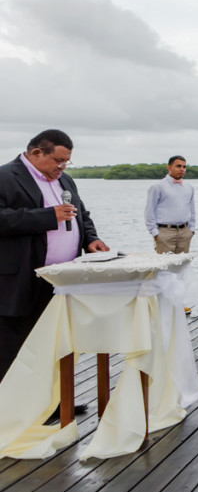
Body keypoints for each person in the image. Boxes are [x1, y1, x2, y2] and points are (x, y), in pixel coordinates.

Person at [0, 129, 109, 386]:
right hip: (22, 279)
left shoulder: (66, 180)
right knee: (17, 344)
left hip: (63, 280)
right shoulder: (4, 177)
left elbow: (81, 214)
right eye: (58, 161)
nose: (62, 167)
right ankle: (12, 407)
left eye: (66, 162)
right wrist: (48, 216)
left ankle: (58, 402)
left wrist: (90, 239)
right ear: (37, 153)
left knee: (58, 342)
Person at [144, 155, 196, 311]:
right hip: (164, 232)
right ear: (169, 167)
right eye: (178, 166)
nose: (182, 170)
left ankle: (179, 303)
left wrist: (191, 230)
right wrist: (155, 233)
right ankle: (164, 304)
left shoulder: (189, 188)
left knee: (181, 268)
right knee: (164, 270)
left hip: (184, 231)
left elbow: (192, 210)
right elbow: (149, 212)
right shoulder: (157, 187)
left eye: (184, 167)